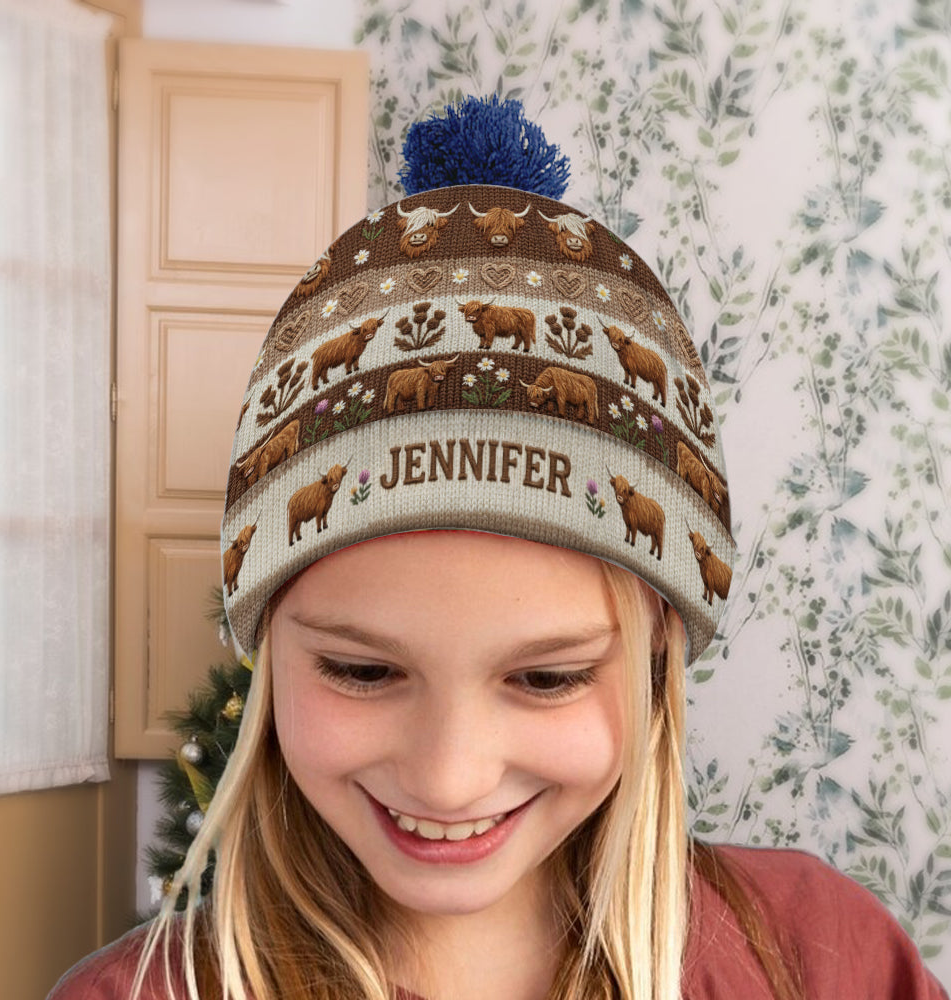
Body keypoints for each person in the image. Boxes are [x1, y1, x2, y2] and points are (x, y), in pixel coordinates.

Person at [48, 99, 948, 1000]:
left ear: (660, 655)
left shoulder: (824, 956)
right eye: (361, 671)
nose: (450, 776)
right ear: (269, 644)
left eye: (549, 678)